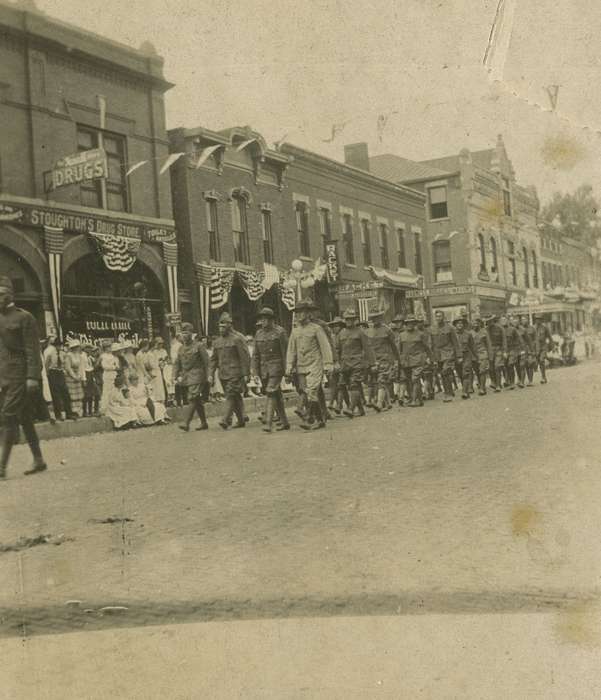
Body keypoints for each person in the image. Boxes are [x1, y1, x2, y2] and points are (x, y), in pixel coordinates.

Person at [0, 276, 47, 479]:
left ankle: (1, 466)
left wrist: (32, 377)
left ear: (10, 294)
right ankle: (39, 460)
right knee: (25, 418)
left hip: (21, 373)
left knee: (8, 415)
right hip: (5, 375)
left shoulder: (24, 317)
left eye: (1, 294)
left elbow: (32, 349)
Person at [286, 299, 334, 430]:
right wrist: (289, 367)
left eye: (302, 313)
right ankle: (320, 420)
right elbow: (291, 351)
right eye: (297, 313)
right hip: (302, 366)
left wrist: (328, 364)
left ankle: (308, 419)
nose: (299, 315)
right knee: (305, 392)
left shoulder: (316, 329)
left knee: (312, 391)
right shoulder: (295, 331)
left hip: (315, 364)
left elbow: (325, 347)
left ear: (308, 314)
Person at [210, 312, 251, 430]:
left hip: (235, 373)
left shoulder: (237, 339)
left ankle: (226, 419)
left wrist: (246, 373)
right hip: (223, 374)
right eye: (219, 325)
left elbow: (245, 357)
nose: (221, 328)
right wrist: (211, 374)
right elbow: (213, 360)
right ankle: (241, 419)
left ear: (230, 325)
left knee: (230, 395)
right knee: (234, 395)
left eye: (224, 325)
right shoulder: (217, 342)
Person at [252, 307, 290, 433]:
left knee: (271, 391)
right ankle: (284, 422)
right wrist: (255, 372)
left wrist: (288, 370)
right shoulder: (258, 334)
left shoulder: (280, 332)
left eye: (265, 319)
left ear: (271, 320)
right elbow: (256, 355)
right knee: (276, 394)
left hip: (276, 367)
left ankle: (268, 422)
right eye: (261, 319)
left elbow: (285, 353)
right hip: (264, 369)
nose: (263, 322)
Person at [335, 307, 376, 418]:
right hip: (344, 364)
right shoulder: (341, 333)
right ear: (344, 320)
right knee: (345, 385)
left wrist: (372, 364)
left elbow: (368, 348)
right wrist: (337, 363)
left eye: (352, 319)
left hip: (357, 363)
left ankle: (350, 409)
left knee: (354, 385)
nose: (349, 321)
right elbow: (337, 350)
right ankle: (361, 410)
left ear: (355, 320)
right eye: (347, 319)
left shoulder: (360, 332)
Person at [174, 322, 210, 432]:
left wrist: (209, 376)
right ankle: (204, 422)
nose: (184, 335)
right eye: (183, 333)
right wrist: (174, 375)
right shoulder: (181, 348)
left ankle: (186, 423)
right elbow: (177, 363)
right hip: (186, 376)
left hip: (198, 375)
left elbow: (207, 362)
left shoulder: (199, 346)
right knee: (197, 400)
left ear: (191, 334)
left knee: (192, 397)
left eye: (187, 333)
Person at [366, 310, 401, 411]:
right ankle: (388, 403)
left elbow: (394, 346)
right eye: (372, 318)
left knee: (382, 380)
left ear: (380, 318)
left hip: (386, 358)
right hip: (374, 360)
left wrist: (396, 359)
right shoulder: (368, 331)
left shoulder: (387, 330)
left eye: (376, 317)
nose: (374, 320)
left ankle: (379, 403)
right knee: (378, 381)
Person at [398, 315, 433, 407]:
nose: (410, 325)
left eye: (412, 323)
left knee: (415, 379)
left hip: (418, 359)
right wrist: (399, 361)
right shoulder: (401, 335)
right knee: (410, 380)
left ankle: (414, 400)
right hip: (406, 361)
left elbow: (427, 347)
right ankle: (419, 399)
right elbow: (399, 349)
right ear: (406, 324)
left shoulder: (420, 334)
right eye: (408, 323)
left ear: (414, 324)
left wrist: (430, 358)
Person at [430, 309, 460, 402]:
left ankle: (447, 394)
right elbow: (431, 344)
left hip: (448, 352)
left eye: (440, 316)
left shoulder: (450, 328)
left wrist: (458, 355)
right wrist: (431, 357)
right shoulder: (432, 329)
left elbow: (455, 342)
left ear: (443, 317)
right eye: (437, 316)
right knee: (443, 374)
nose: (438, 318)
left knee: (445, 371)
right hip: (438, 354)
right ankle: (449, 391)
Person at [43, 334, 74, 420]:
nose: (59, 347)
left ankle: (69, 413)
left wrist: (64, 371)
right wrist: (47, 375)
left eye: (60, 345)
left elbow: (64, 364)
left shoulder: (63, 353)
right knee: (55, 394)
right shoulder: (50, 353)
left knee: (65, 393)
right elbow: (46, 365)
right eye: (57, 345)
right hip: (53, 373)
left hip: (60, 372)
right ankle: (58, 414)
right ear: (54, 345)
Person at [327, 316, 348, 414]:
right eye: (333, 326)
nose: (334, 328)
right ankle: (347, 404)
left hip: (342, 362)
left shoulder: (343, 335)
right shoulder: (332, 337)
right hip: (334, 363)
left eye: (337, 326)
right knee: (337, 385)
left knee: (341, 384)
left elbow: (343, 351)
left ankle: (338, 405)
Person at [453, 317, 477, 399]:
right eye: (458, 323)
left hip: (466, 355)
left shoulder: (468, 334)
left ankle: (464, 392)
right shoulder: (453, 334)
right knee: (460, 374)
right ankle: (466, 389)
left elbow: (472, 346)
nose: (460, 325)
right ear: (455, 325)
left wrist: (476, 357)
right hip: (456, 356)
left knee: (466, 373)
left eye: (461, 323)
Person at [64, 339, 86, 417]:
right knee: (72, 394)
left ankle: (79, 411)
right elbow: (68, 367)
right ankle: (73, 411)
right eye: (75, 347)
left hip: (77, 375)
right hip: (70, 377)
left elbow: (81, 367)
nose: (77, 348)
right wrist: (74, 376)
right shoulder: (68, 355)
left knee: (78, 394)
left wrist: (80, 376)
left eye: (78, 347)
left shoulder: (79, 356)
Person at [470, 316, 493, 395]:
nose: (475, 324)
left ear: (480, 324)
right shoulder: (470, 333)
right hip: (474, 355)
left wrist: (490, 355)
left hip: (483, 353)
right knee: (477, 371)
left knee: (482, 371)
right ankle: (481, 385)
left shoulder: (484, 332)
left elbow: (489, 344)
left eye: (477, 323)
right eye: (474, 323)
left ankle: (482, 388)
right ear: (472, 324)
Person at [502, 315, 525, 390]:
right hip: (504, 350)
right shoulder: (500, 330)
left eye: (505, 320)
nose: (503, 322)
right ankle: (510, 381)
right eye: (502, 320)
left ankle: (514, 382)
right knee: (506, 366)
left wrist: (522, 349)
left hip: (513, 349)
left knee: (511, 364)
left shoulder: (512, 329)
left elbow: (519, 339)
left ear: (508, 321)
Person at [486, 314, 507, 392]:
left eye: (490, 321)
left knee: (497, 367)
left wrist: (504, 351)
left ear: (493, 320)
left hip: (499, 349)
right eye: (487, 321)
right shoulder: (486, 329)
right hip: (490, 350)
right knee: (491, 368)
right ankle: (494, 382)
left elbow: (504, 340)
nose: (489, 322)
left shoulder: (500, 328)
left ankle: (498, 385)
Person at [99, 341, 121, 414]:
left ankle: (112, 405)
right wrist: (114, 367)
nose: (109, 348)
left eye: (110, 347)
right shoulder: (103, 356)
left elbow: (117, 365)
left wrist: (116, 367)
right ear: (105, 348)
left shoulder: (113, 356)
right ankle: (104, 408)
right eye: (108, 347)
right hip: (107, 375)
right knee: (106, 391)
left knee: (113, 390)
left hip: (113, 374)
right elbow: (104, 366)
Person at [534, 313, 553, 384]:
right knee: (539, 362)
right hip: (536, 347)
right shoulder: (533, 328)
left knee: (541, 360)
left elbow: (550, 338)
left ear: (541, 320)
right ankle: (543, 376)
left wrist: (552, 347)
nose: (538, 321)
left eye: (539, 319)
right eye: (536, 319)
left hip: (543, 346)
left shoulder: (545, 328)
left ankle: (543, 377)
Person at [82, 343, 101, 417]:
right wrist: (84, 379)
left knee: (96, 393)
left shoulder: (89, 357)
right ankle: (86, 411)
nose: (90, 350)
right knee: (87, 395)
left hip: (91, 375)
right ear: (85, 349)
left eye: (90, 348)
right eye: (88, 348)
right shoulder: (83, 356)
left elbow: (93, 366)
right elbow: (83, 368)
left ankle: (94, 410)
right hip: (86, 375)